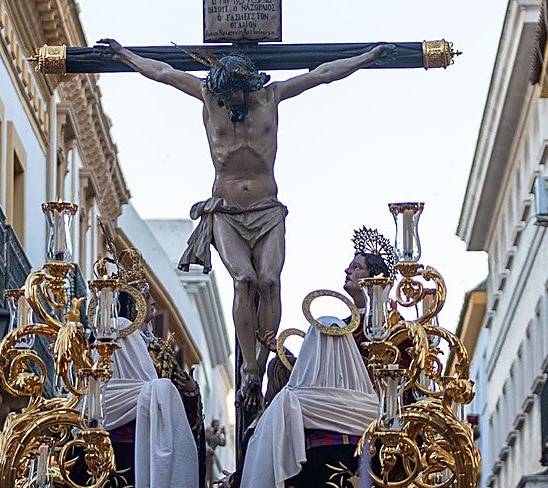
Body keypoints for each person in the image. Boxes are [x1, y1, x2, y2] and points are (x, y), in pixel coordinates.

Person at [96, 38, 396, 410]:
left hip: (267, 210)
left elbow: (322, 74)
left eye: (234, 97)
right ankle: (249, 367)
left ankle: (262, 361)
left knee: (269, 281)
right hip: (226, 210)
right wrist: (125, 54)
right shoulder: (210, 97)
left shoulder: (271, 97)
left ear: (248, 86)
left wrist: (366, 57)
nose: (228, 105)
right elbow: (163, 72)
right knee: (244, 279)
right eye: (223, 99)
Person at [240, 317, 406, 488]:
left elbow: (267, 446)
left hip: (316, 475)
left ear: (310, 347)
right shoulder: (372, 402)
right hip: (365, 471)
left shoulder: (294, 397)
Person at [50, 296, 200, 488]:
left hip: (90, 471)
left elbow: (74, 436)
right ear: (137, 353)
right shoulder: (154, 391)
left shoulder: (89, 396)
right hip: (137, 472)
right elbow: (174, 442)